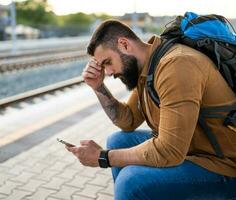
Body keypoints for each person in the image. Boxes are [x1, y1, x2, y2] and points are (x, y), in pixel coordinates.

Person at [66, 19, 236, 199]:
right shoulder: (149, 66)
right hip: (193, 149)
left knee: (132, 181)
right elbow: (128, 120)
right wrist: (98, 87)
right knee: (118, 140)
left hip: (224, 166)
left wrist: (103, 157)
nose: (107, 72)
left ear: (124, 44)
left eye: (107, 62)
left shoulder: (177, 65)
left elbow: (169, 151)